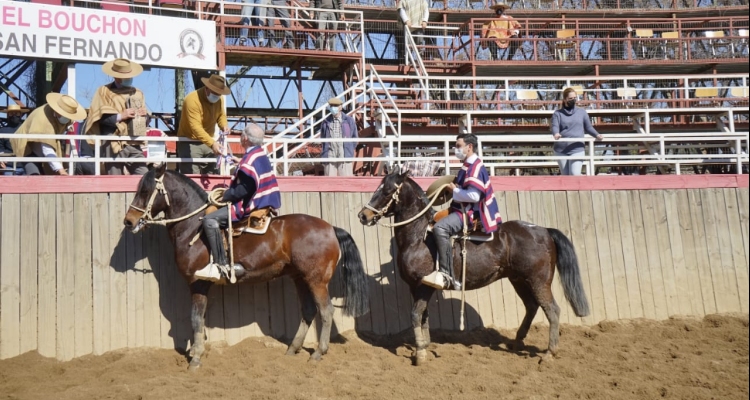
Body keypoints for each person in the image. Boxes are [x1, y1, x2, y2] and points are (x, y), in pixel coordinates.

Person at [195, 123, 282, 282]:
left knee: (209, 219)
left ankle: (220, 266)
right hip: (266, 199)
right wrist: (240, 162)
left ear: (245, 138)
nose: (241, 136)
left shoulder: (249, 159)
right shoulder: (259, 153)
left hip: (252, 203)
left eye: (242, 134)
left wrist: (226, 196)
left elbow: (243, 190)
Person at [421, 133, 503, 291]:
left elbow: (474, 196)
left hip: (469, 213)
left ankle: (446, 274)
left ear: (469, 147)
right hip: (460, 208)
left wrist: (455, 190)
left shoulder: (475, 167)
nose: (455, 149)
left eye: (458, 146)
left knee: (440, 228)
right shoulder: (468, 165)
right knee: (434, 218)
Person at [85, 58, 149, 176]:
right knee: (115, 179)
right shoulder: (104, 92)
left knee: (144, 176)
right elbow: (98, 118)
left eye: (130, 75)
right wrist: (121, 116)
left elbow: (146, 121)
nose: (129, 78)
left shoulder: (137, 92)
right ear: (116, 77)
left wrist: (144, 116)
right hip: (113, 141)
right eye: (126, 76)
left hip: (134, 141)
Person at [10, 93, 87, 176]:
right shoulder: (43, 120)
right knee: (34, 176)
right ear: (57, 112)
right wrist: (61, 170)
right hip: (27, 147)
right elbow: (47, 149)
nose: (67, 118)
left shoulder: (65, 119)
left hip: (46, 154)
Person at [176, 74, 232, 175]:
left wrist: (224, 125)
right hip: (189, 141)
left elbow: (221, 115)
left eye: (219, 94)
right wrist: (212, 143)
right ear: (207, 88)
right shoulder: (191, 100)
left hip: (209, 141)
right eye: (215, 93)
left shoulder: (219, 100)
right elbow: (195, 128)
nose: (217, 96)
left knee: (213, 174)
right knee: (191, 179)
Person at [550, 87, 603, 176]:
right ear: (565, 99)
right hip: (561, 149)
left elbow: (588, 127)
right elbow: (555, 126)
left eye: (575, 98)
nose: (573, 100)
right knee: (565, 175)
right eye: (570, 98)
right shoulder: (557, 113)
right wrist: (556, 133)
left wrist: (597, 135)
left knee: (575, 174)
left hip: (577, 148)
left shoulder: (582, 112)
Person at [320, 97, 358, 176]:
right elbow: (323, 138)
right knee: (329, 179)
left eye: (335, 106)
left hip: (344, 151)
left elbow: (355, 137)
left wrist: (349, 148)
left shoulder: (349, 120)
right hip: (330, 151)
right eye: (331, 106)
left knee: (346, 179)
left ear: (340, 107)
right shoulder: (326, 122)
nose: (333, 108)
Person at [1, 104, 30, 173]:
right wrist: (1, 159)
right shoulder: (2, 131)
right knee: (8, 183)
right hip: (8, 165)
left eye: (16, 113)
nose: (14, 115)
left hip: (25, 164)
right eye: (11, 113)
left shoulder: (26, 129)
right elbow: (0, 147)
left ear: (20, 115)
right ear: (8, 115)